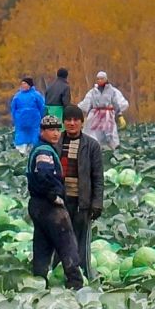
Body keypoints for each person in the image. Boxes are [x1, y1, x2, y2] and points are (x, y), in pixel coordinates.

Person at [26, 118, 85, 290]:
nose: (56, 133)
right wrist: (54, 196)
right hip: (48, 206)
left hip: (36, 204)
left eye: (57, 130)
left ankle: (40, 282)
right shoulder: (45, 151)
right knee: (67, 244)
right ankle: (75, 283)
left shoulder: (39, 148)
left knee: (42, 245)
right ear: (42, 131)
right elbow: (44, 174)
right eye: (51, 130)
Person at [58, 105, 104, 277]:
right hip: (60, 201)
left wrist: (97, 202)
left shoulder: (91, 146)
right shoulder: (56, 143)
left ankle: (84, 275)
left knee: (82, 242)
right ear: (63, 122)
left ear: (82, 123)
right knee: (60, 240)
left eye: (75, 120)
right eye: (68, 120)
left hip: (81, 201)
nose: (71, 123)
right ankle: (60, 273)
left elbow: (98, 177)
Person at [79, 71, 129, 151]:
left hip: (107, 116)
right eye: (98, 79)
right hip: (96, 116)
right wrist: (86, 117)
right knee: (94, 135)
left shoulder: (111, 91)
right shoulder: (93, 91)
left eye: (101, 79)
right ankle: (95, 152)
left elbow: (115, 103)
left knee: (110, 135)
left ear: (106, 79)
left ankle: (114, 151)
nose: (99, 81)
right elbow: (90, 105)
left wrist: (120, 116)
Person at [9, 76, 45, 150]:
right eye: (22, 84)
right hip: (21, 123)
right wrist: (15, 119)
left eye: (25, 84)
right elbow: (13, 108)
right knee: (21, 142)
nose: (23, 85)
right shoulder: (17, 96)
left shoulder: (36, 95)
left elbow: (42, 107)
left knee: (34, 141)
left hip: (34, 123)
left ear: (30, 85)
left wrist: (42, 118)